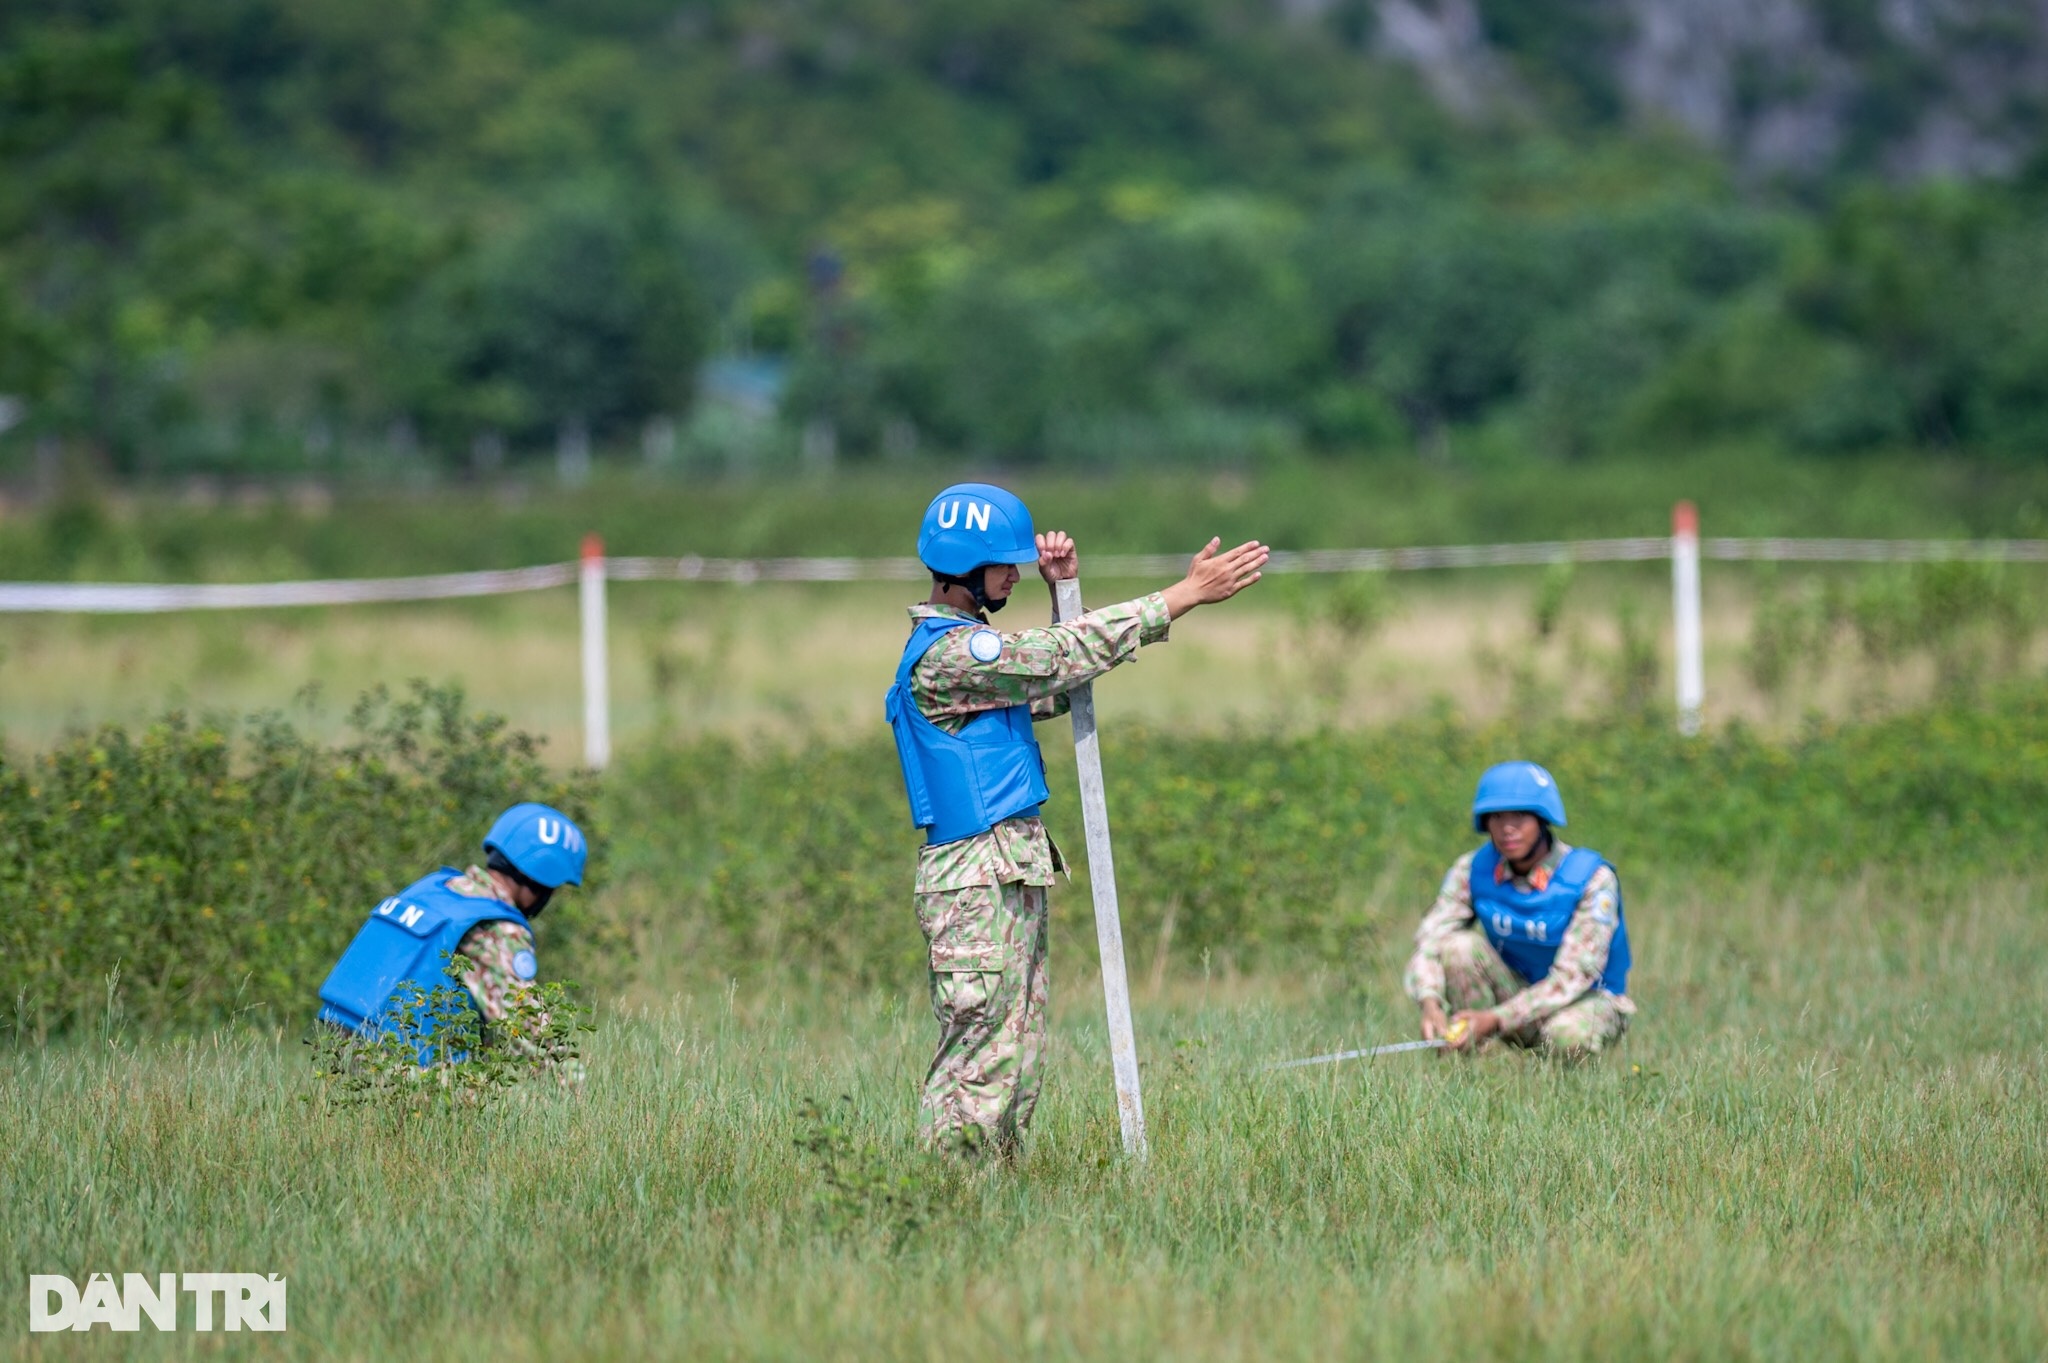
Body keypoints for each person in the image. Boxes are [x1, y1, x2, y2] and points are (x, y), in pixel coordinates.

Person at [887, 481, 1267, 1158]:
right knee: (979, 1057)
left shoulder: (979, 656)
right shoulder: (949, 657)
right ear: (966, 570)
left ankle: (990, 1196)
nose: (1015, 573)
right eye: (1004, 564)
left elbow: (1057, 683)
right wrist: (1180, 597)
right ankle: (947, 1195)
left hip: (1001, 870)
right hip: (972, 878)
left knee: (1016, 1056)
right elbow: (1054, 659)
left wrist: (1068, 594)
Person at [316, 802, 587, 1060]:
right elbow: (530, 1031)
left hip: (337, 1043)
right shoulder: (498, 927)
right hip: (408, 1069)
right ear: (539, 881)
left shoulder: (433, 888)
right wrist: (575, 1086)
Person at [1403, 762, 1634, 1060]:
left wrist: (1496, 1019)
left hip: (1583, 1000)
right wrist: (1430, 1002)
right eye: (1497, 817)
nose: (1507, 828)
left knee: (1565, 1035)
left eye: (1520, 816)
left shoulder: (1591, 879)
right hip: (1511, 995)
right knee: (1458, 948)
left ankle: (1571, 1093)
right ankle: (1479, 1075)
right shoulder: (1473, 870)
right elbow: (1430, 940)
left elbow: (1574, 976)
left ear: (1542, 820)